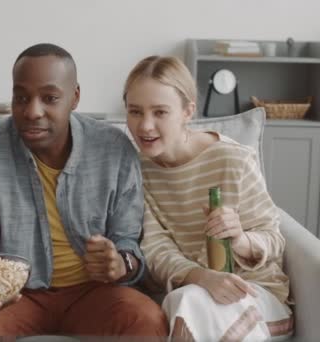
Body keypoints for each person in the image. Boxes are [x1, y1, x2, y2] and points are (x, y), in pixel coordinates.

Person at [0, 43, 167, 340]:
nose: (32, 111)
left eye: (50, 98)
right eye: (21, 97)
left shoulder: (114, 148)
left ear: (75, 98)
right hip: (17, 296)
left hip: (95, 294)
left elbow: (128, 239)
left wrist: (121, 263)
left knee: (146, 319)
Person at [123, 55, 294, 341]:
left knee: (188, 303)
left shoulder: (233, 159)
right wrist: (202, 277)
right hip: (192, 296)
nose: (145, 126)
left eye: (160, 112)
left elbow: (273, 239)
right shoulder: (135, 170)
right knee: (186, 300)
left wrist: (240, 239)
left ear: (188, 111)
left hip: (255, 296)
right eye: (135, 111)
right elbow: (154, 249)